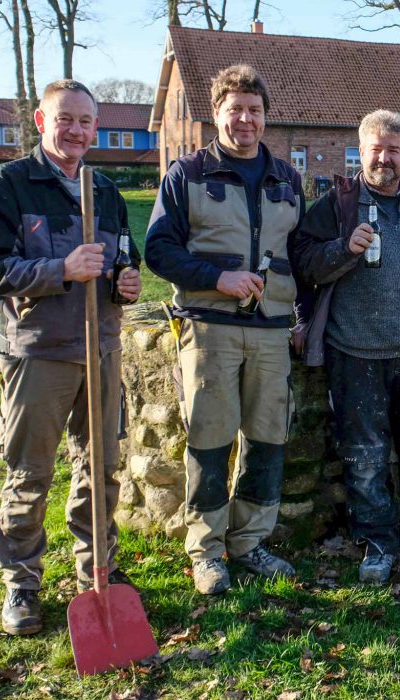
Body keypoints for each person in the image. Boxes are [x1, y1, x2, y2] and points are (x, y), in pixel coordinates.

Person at [0, 79, 142, 635]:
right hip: (39, 352)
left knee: (101, 470)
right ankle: (22, 584)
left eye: (85, 121)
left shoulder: (106, 190)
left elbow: (122, 262)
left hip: (101, 350)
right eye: (64, 119)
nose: (76, 130)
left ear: (96, 127)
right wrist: (59, 270)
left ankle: (98, 571)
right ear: (42, 123)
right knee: (31, 472)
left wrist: (127, 282)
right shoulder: (10, 186)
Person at [144, 64, 303, 596]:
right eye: (234, 110)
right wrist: (218, 277)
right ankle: (207, 551)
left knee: (267, 438)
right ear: (216, 114)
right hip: (209, 328)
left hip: (272, 330)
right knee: (209, 441)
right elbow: (158, 250)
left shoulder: (287, 178)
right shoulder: (187, 174)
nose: (245, 120)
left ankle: (250, 542)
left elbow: (301, 252)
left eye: (254, 111)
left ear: (265, 116)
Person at [294, 109, 400, 585]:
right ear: (359, 151)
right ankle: (378, 543)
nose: (384, 158)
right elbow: (305, 264)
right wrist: (344, 249)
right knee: (365, 456)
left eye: (394, 150)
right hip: (355, 353)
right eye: (375, 148)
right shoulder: (335, 208)